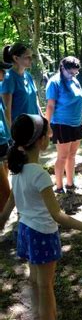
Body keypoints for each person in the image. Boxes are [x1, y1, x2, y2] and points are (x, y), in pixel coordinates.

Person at [0, 114, 82, 320]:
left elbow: (11, 201)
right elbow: (58, 215)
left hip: (26, 232)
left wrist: (3, 218)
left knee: (37, 282)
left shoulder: (19, 170)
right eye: (48, 132)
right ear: (41, 140)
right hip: (43, 234)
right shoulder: (40, 175)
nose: (50, 135)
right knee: (46, 286)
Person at [45, 56, 82, 194]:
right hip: (61, 124)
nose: (73, 75)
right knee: (62, 156)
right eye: (70, 72)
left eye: (75, 73)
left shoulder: (74, 81)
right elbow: (50, 105)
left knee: (72, 155)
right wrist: (47, 125)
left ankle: (70, 184)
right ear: (62, 68)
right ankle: (59, 187)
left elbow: (80, 101)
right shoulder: (54, 83)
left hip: (76, 124)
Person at [1, 43, 43, 127]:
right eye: (27, 57)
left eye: (31, 56)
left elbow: (35, 102)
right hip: (20, 129)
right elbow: (6, 111)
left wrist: (43, 121)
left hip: (35, 126)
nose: (31, 59)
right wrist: (11, 134)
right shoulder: (9, 78)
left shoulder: (28, 76)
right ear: (16, 58)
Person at [0, 61, 12, 212]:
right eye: (2, 70)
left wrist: (10, 136)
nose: (4, 73)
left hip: (4, 141)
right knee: (5, 192)